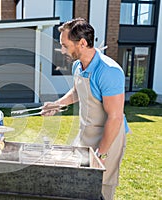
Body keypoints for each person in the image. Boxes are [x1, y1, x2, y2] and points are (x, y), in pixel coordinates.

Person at [42, 18, 128, 200]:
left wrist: (101, 153)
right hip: (86, 132)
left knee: (100, 187)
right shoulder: (77, 65)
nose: (62, 50)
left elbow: (115, 117)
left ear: (82, 43)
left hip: (109, 137)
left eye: (65, 45)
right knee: (76, 182)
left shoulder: (109, 71)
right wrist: (57, 105)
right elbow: (77, 91)